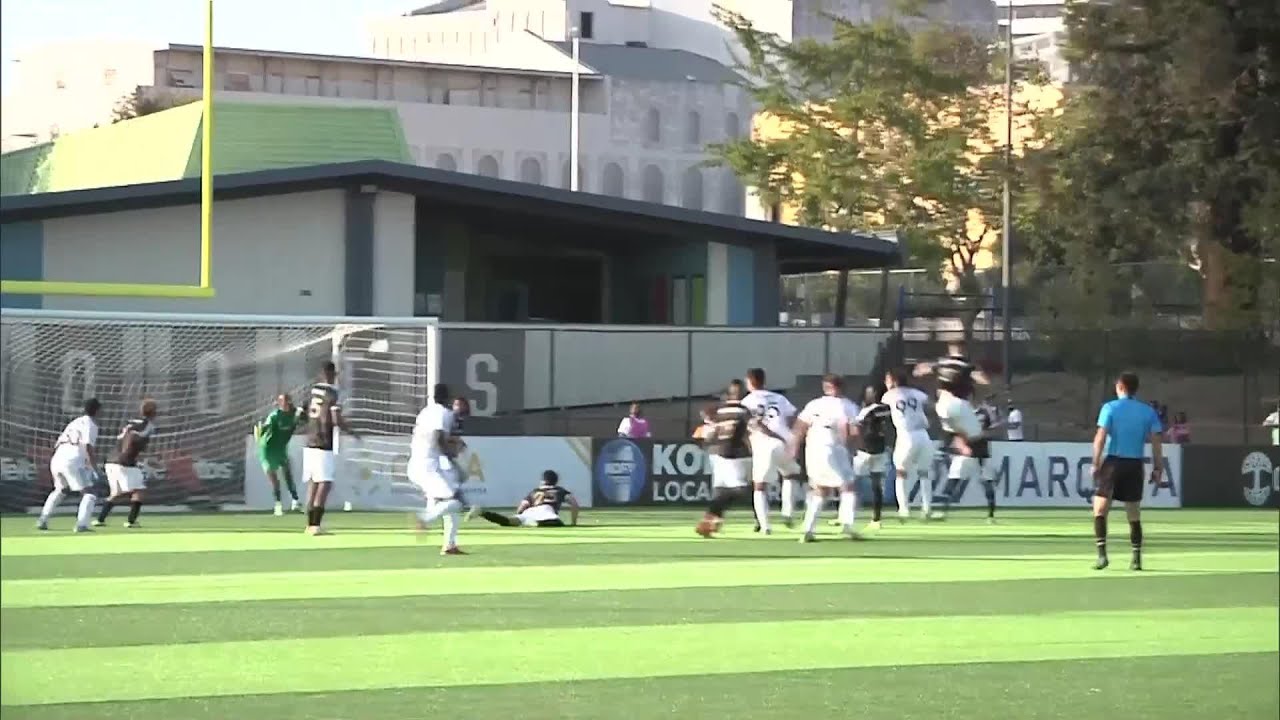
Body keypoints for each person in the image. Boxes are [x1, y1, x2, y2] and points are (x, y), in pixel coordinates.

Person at [1091, 371, 1164, 571]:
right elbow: (1156, 442)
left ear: (1120, 387)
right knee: (1133, 513)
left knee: (1100, 509)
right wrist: (1158, 467)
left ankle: (1102, 556)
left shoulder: (1110, 407)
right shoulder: (1148, 411)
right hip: (1135, 464)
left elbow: (1100, 437)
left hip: (1114, 462)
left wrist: (1095, 463)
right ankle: (1136, 558)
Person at [789, 374, 859, 542]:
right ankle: (847, 526)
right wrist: (854, 449)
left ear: (825, 387)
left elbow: (799, 427)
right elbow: (853, 431)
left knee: (820, 489)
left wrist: (794, 448)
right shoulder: (847, 405)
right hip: (833, 447)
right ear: (842, 387)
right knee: (848, 486)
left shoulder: (814, 404)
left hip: (813, 447)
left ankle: (808, 529)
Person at [408, 383, 468, 555]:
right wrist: (451, 455)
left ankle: (450, 545)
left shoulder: (425, 412)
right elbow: (438, 438)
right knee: (455, 501)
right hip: (428, 466)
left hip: (419, 463)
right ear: (447, 397)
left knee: (444, 501)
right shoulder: (442, 413)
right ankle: (423, 518)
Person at [740, 367, 802, 533]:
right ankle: (788, 513)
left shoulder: (746, 401)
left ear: (750, 381)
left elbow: (745, 425)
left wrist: (747, 443)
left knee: (760, 485)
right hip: (784, 441)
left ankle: (765, 525)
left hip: (764, 443)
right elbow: (793, 418)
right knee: (790, 475)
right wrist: (791, 438)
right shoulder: (779, 398)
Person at [301, 362, 358, 536]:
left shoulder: (313, 390)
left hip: (310, 441)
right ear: (333, 374)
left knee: (313, 483)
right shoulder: (333, 393)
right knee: (324, 484)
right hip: (323, 442)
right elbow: (335, 418)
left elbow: (303, 413)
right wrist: (352, 432)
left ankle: (309, 524)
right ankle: (315, 525)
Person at [694, 380, 753, 538]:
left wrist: (707, 443)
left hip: (716, 454)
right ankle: (710, 520)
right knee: (740, 490)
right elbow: (750, 432)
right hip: (732, 454)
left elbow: (711, 432)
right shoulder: (743, 410)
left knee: (721, 491)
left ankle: (710, 524)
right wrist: (752, 449)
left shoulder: (720, 410)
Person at [38, 398, 103, 532]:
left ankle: (43, 519)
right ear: (97, 411)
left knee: (60, 490)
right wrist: (95, 468)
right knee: (89, 492)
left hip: (57, 458)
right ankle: (81, 524)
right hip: (73, 461)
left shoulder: (74, 422)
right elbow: (88, 446)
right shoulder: (91, 424)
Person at [95, 398, 158, 528]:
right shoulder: (148, 426)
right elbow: (134, 439)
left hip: (110, 461)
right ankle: (131, 521)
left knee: (117, 493)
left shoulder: (130, 422)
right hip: (124, 462)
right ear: (154, 412)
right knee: (139, 491)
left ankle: (100, 519)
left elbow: (125, 438)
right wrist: (129, 455)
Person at [940, 394, 1001, 523]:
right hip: (964, 453)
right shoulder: (960, 411)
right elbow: (953, 432)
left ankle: (991, 516)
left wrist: (982, 434)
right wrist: (960, 445)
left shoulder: (986, 411)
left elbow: (995, 430)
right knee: (953, 480)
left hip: (982, 453)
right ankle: (942, 511)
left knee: (987, 483)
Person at [884, 368, 934, 521]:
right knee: (924, 473)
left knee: (901, 472)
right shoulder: (917, 393)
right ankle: (927, 508)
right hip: (923, 434)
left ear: (893, 381)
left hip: (906, 435)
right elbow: (930, 404)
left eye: (887, 380)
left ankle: (904, 509)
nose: (886, 383)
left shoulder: (889, 395)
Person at [254, 393, 304, 516]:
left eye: (288, 401)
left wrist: (303, 412)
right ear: (279, 403)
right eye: (283, 402)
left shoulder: (294, 414)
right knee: (274, 480)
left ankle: (295, 502)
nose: (286, 404)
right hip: (268, 450)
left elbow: (304, 419)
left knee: (288, 474)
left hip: (281, 449)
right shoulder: (275, 416)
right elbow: (265, 428)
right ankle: (278, 506)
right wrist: (260, 433)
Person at [476, 470, 580, 527]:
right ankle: (535, 523)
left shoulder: (534, 491)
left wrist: (519, 516)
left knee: (508, 521)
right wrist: (573, 523)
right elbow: (574, 503)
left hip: (530, 511)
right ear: (555, 481)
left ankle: (482, 513)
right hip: (547, 511)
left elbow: (523, 505)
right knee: (557, 524)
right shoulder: (559, 490)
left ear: (543, 480)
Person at [851, 385, 892, 531]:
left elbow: (857, 426)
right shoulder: (887, 409)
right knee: (876, 485)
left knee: (850, 484)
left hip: (865, 450)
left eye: (869, 392)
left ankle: (847, 516)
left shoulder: (868, 410)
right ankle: (876, 519)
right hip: (880, 450)